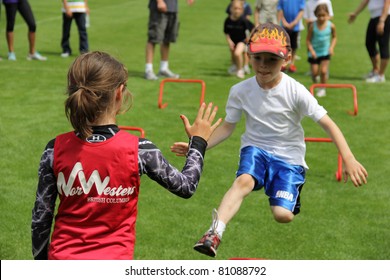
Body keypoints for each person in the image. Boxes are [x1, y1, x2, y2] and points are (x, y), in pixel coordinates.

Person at [171, 23, 368, 258]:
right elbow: (227, 127)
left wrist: (348, 158)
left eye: (272, 59)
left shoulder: (296, 91)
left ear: (287, 59)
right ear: (249, 56)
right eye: (258, 58)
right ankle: (213, 233)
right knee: (243, 181)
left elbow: (328, 124)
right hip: (256, 149)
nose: (263, 65)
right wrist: (198, 146)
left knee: (282, 215)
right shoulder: (239, 91)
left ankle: (290, 196)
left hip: (289, 157)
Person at [31, 51, 222, 260]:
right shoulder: (140, 150)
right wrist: (199, 142)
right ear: (120, 94)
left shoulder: (54, 149)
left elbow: (41, 217)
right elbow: (186, 186)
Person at [144, 0, 194, 80]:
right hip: (159, 8)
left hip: (172, 7)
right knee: (153, 39)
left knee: (167, 39)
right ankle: (148, 70)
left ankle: (163, 69)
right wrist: (159, 1)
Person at [348, 0, 390, 83]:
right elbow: (365, 1)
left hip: (383, 17)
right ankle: (375, 70)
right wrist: (355, 13)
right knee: (369, 43)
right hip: (374, 17)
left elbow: (387, 3)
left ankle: (381, 76)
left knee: (383, 46)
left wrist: (382, 21)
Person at [306, 3, 337, 97]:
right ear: (316, 15)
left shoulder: (331, 26)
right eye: (319, 16)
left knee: (323, 71)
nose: (321, 18)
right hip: (315, 52)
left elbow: (335, 37)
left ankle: (322, 88)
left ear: (328, 15)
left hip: (325, 51)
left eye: (324, 15)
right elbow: (308, 40)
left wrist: (331, 47)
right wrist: (311, 50)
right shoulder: (312, 26)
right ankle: (316, 79)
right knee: (315, 73)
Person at [224, 0, 254, 79]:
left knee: (237, 53)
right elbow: (226, 33)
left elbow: (253, 28)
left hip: (242, 40)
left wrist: (249, 38)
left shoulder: (243, 20)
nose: (237, 11)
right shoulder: (228, 20)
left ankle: (240, 70)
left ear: (242, 10)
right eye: (235, 8)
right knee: (233, 54)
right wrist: (229, 41)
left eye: (239, 9)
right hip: (233, 41)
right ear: (231, 9)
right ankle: (235, 66)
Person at [277, 0, 306, 73]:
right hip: (284, 25)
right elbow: (280, 9)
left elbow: (301, 10)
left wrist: (295, 22)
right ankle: (283, 63)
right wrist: (283, 21)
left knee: (293, 46)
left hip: (295, 26)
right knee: (284, 46)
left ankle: (292, 64)